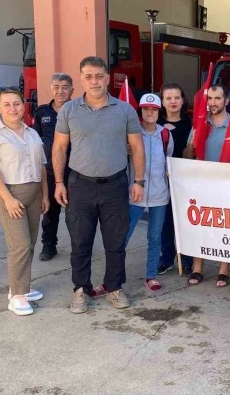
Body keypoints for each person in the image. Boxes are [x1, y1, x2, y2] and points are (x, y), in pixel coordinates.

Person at [52, 56, 146, 314]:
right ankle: (80, 289)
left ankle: (114, 287)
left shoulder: (125, 110)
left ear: (107, 78)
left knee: (115, 242)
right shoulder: (69, 110)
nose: (94, 81)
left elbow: (137, 147)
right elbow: (59, 147)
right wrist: (59, 182)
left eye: (99, 76)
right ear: (82, 80)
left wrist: (139, 180)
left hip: (115, 186)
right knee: (80, 242)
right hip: (79, 186)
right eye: (88, 76)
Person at [0, 87, 49, 316]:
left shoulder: (32, 133)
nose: (13, 108)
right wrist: (8, 199)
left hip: (34, 192)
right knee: (19, 245)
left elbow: (41, 166)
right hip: (9, 194)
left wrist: (45, 195)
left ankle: (22, 287)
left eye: (16, 103)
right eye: (6, 104)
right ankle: (16, 295)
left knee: (30, 243)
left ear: (23, 105)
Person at [183, 84, 230, 288]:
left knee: (225, 226)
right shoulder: (200, 123)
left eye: (217, 98)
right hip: (201, 184)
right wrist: (192, 144)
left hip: (227, 184)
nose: (213, 103)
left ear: (226, 101)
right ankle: (198, 268)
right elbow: (188, 156)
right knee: (200, 225)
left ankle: (224, 269)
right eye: (210, 98)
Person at [124, 94, 174, 292]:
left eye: (154, 109)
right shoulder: (132, 133)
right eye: (146, 109)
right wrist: (123, 149)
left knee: (155, 237)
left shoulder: (165, 135)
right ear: (141, 111)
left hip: (159, 195)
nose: (150, 113)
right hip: (135, 195)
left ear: (159, 112)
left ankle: (151, 275)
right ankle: (115, 274)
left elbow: (169, 159)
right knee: (124, 236)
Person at [33, 73, 73, 261]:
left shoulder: (78, 111)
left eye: (65, 87)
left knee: (75, 213)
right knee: (49, 212)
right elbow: (35, 140)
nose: (60, 91)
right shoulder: (42, 113)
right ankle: (48, 245)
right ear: (51, 89)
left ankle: (79, 247)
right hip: (50, 171)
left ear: (71, 90)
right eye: (56, 87)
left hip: (75, 171)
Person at [158, 82, 194, 276]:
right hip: (163, 181)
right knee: (165, 222)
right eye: (168, 98)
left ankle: (187, 260)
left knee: (185, 222)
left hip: (186, 181)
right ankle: (166, 259)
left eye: (176, 97)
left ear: (182, 100)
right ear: (162, 102)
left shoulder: (192, 124)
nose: (173, 101)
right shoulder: (156, 124)